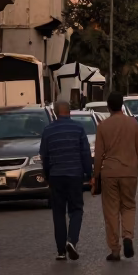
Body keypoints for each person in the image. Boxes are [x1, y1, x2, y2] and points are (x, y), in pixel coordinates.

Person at [92, 91, 138, 260]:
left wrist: (96, 176)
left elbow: (98, 155)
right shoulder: (133, 124)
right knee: (129, 206)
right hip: (130, 172)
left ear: (108, 107)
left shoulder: (103, 126)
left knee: (111, 211)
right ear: (122, 106)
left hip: (109, 173)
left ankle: (115, 249)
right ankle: (128, 236)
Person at [39, 99, 92, 261]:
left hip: (56, 176)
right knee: (76, 209)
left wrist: (47, 175)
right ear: (69, 111)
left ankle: (61, 251)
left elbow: (44, 156)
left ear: (54, 112)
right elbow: (85, 153)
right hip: (75, 175)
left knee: (58, 212)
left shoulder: (48, 130)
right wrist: (89, 174)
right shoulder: (78, 128)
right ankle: (72, 240)